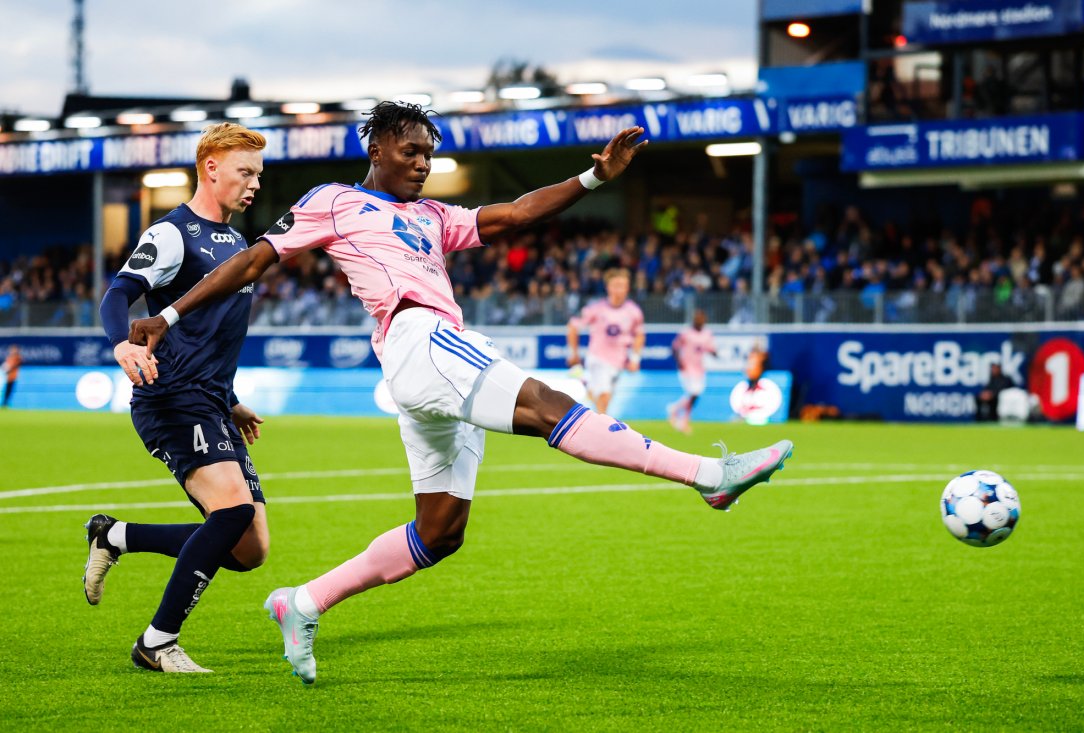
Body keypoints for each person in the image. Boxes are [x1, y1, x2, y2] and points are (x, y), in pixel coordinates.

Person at [127, 102, 794, 685]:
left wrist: (594, 178)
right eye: (410, 150)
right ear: (377, 148)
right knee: (547, 405)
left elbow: (515, 213)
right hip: (419, 337)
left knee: (441, 531)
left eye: (429, 154)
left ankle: (302, 602)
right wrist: (170, 315)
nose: (422, 163)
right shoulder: (333, 201)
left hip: (426, 361)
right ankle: (708, 475)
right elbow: (253, 259)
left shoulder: (433, 215)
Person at [84, 123, 270, 674]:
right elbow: (117, 294)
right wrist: (121, 343)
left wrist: (230, 400)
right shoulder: (172, 234)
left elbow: (211, 337)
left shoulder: (236, 243)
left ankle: (116, 536)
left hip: (210, 400)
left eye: (258, 174)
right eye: (245, 172)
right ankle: (157, 641)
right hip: (170, 396)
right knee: (233, 510)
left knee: (249, 548)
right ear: (210, 168)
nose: (254, 184)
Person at [566, 268, 644, 414]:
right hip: (598, 358)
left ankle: (584, 381)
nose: (619, 290)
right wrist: (573, 353)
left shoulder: (634, 312)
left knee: (600, 398)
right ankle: (602, 426)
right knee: (604, 397)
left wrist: (635, 359)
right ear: (608, 287)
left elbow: (639, 335)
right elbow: (573, 326)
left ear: (627, 288)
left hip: (618, 362)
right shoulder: (596, 309)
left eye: (622, 286)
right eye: (616, 285)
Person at [667, 309, 717, 434]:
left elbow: (710, 348)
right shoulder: (686, 333)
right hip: (687, 368)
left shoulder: (707, 334)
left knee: (695, 394)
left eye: (701, 319)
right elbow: (675, 347)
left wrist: (715, 353)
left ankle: (677, 411)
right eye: (697, 318)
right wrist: (679, 361)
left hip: (699, 369)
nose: (699, 321)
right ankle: (683, 418)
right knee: (694, 392)